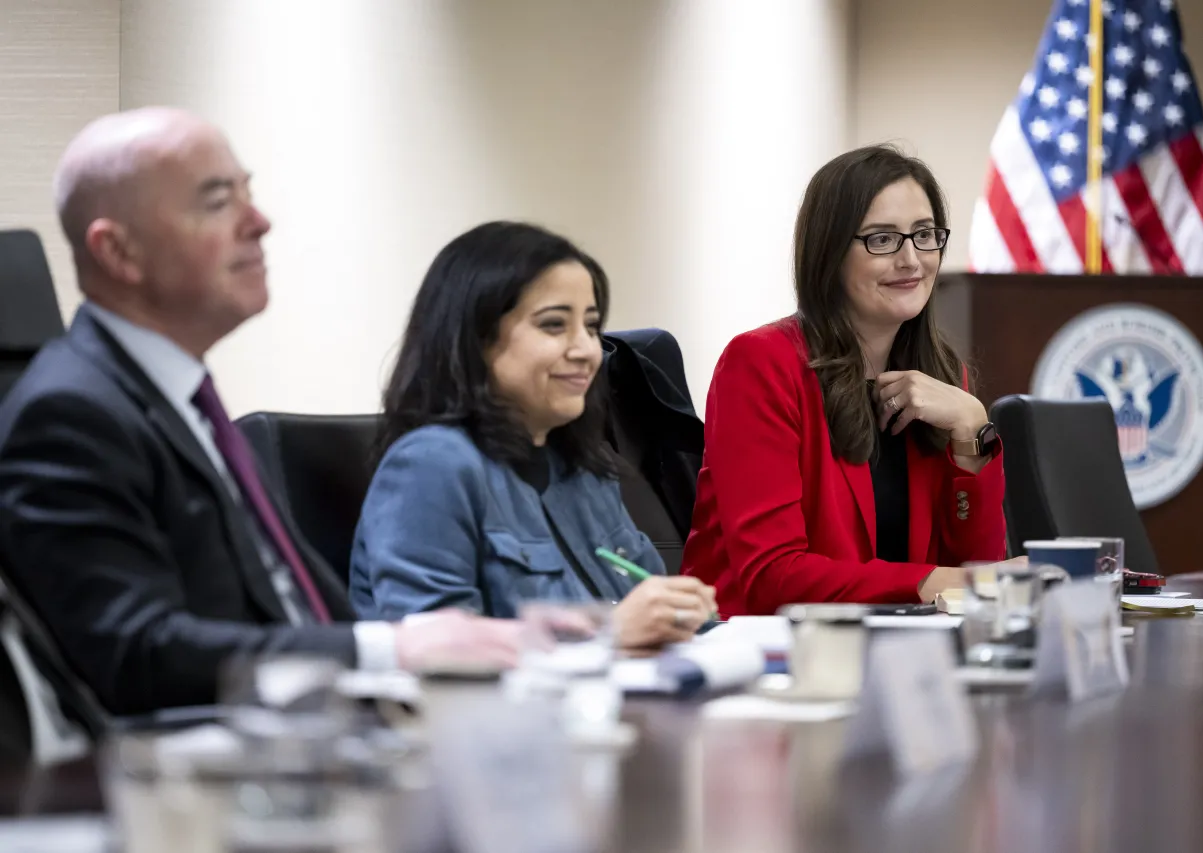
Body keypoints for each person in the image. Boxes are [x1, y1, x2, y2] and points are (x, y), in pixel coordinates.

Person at [0, 108, 523, 716]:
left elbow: (291, 604)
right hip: (202, 777)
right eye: (219, 202)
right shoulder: (72, 414)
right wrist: (390, 648)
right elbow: (137, 655)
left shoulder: (182, 400)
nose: (260, 221)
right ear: (119, 251)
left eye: (248, 193)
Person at [348, 221, 717, 647]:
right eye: (554, 325)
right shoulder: (431, 466)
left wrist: (686, 616)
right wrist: (609, 634)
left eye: (592, 327)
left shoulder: (587, 470)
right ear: (476, 338)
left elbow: (653, 615)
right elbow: (433, 655)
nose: (586, 350)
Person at [680, 145, 1007, 616]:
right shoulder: (761, 363)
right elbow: (772, 575)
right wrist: (938, 581)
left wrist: (973, 427)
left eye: (924, 235)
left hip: (897, 653)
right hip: (768, 657)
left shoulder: (940, 377)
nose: (912, 260)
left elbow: (979, 572)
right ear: (830, 252)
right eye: (882, 239)